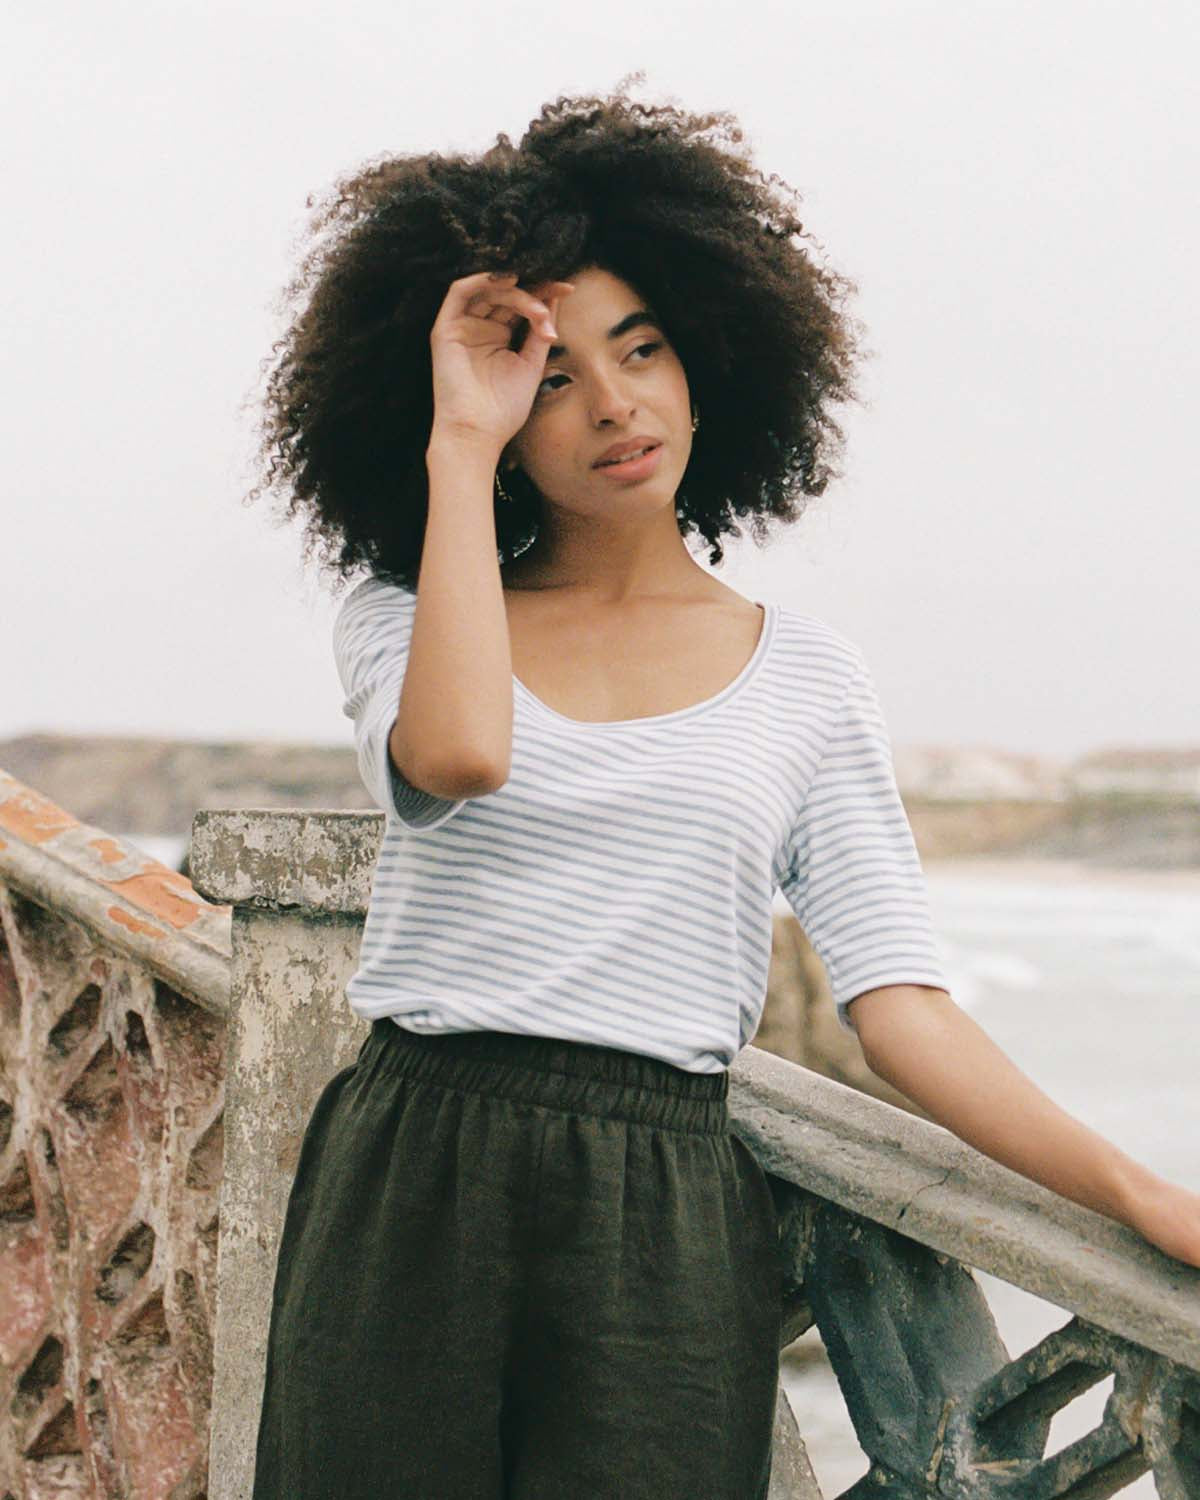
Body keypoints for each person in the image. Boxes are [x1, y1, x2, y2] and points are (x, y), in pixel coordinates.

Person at [242, 84, 1200, 1499]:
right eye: (553, 375)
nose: (616, 405)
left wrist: (1140, 1192)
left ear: (712, 359)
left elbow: (898, 1006)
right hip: (419, 1162)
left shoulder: (808, 680)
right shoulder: (411, 610)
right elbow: (457, 757)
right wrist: (461, 450)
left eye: (645, 349)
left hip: (664, 1194)